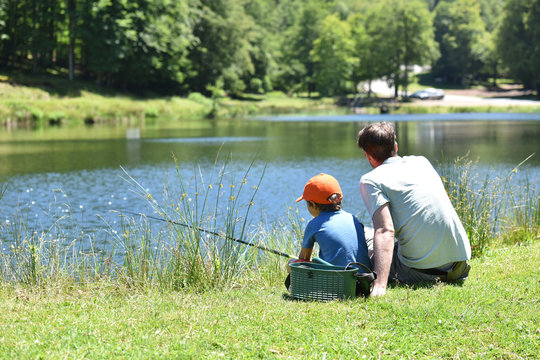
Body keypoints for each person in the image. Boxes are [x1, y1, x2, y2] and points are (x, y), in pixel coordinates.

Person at [357, 122, 471, 296]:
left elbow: (385, 230)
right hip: (459, 267)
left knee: (361, 236)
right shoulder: (421, 162)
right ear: (395, 146)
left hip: (422, 273)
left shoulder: (371, 180)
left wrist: (380, 285)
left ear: (368, 156)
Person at [291, 173, 372, 269]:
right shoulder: (353, 218)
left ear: (312, 204)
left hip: (337, 281)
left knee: (291, 263)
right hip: (365, 278)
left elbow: (303, 260)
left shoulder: (314, 224)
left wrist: (296, 262)